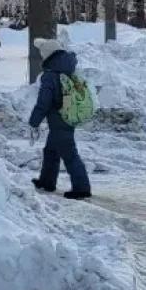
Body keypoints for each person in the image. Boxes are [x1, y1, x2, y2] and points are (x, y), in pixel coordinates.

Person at [28, 37, 91, 199]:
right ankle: (47, 181)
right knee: (51, 151)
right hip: (68, 116)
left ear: (47, 56)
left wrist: (34, 121)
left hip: (58, 119)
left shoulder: (50, 76)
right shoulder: (70, 70)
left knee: (69, 154)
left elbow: (44, 102)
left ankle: (82, 188)